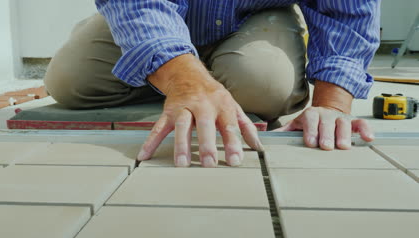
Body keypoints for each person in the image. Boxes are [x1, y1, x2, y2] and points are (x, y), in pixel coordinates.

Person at [44, 0, 379, 168]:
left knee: (265, 86)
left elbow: (346, 10)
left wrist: (332, 103)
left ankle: (196, 76)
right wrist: (182, 82)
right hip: (163, 12)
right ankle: (174, 70)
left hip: (257, 16)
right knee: (70, 83)